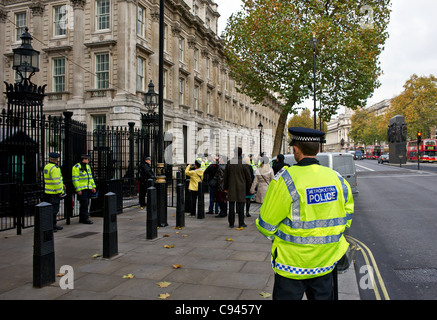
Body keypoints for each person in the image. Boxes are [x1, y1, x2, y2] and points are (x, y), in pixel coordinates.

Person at [256, 127, 354, 300]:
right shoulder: (337, 178)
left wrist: (281, 234)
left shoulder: (285, 180)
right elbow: (346, 218)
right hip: (326, 262)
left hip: (291, 265)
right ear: (318, 149)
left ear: (295, 149)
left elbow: (266, 225)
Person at [224, 147, 252, 228]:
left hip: (231, 187)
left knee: (231, 206)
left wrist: (226, 187)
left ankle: (231, 223)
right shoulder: (243, 163)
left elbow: (226, 177)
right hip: (241, 187)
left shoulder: (229, 163)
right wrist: (249, 187)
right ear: (241, 153)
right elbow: (248, 178)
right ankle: (241, 223)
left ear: (234, 153)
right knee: (241, 206)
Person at [43, 152, 65, 232]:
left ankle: (53, 225)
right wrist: (60, 191)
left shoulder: (47, 167)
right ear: (56, 160)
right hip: (54, 192)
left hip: (47, 191)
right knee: (54, 210)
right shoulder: (55, 168)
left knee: (49, 209)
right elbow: (56, 182)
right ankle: (51, 226)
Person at [72, 154, 96, 224]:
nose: (88, 161)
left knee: (86, 203)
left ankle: (82, 218)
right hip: (82, 189)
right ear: (84, 159)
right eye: (88, 159)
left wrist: (93, 186)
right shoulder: (76, 167)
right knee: (84, 203)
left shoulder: (88, 166)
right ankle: (85, 218)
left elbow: (90, 177)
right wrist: (78, 189)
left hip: (87, 188)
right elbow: (75, 179)